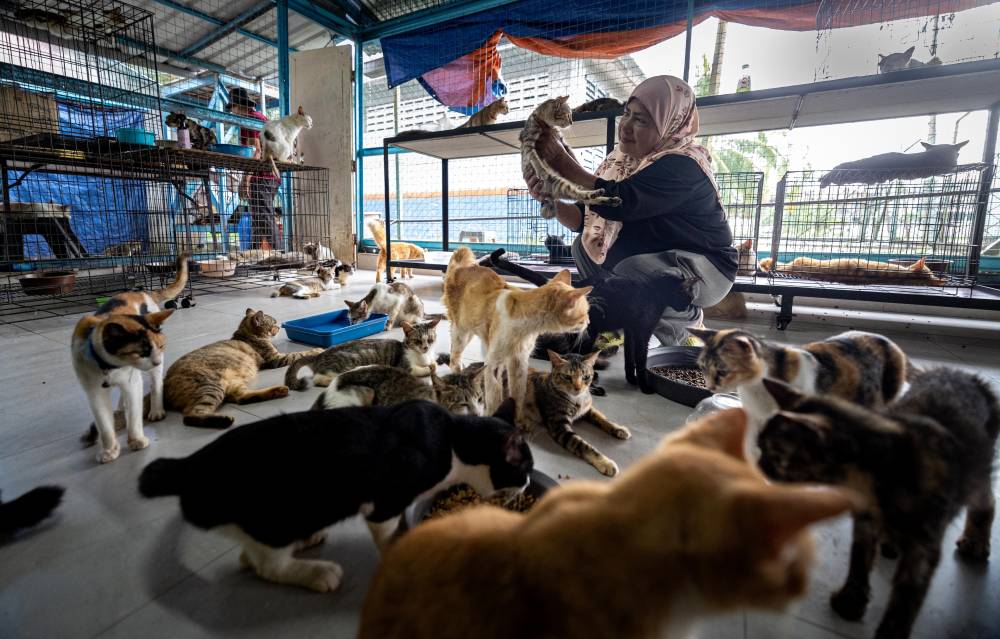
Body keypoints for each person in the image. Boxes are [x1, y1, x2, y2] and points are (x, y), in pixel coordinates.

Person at [524, 75, 736, 345]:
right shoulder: (622, 161)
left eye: (641, 120)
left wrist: (561, 164)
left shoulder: (684, 164)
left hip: (706, 267)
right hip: (661, 257)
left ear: (669, 124)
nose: (625, 126)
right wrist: (552, 203)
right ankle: (611, 317)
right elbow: (583, 219)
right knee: (584, 246)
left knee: (636, 269)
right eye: (627, 113)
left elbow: (621, 201)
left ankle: (684, 330)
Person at [229, 87, 281, 250]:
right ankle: (256, 256)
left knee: (264, 219)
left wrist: (246, 179)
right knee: (258, 219)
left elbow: (257, 151)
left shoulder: (250, 120)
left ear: (238, 105)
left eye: (232, 108)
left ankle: (280, 258)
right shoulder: (260, 117)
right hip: (270, 176)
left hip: (263, 177)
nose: (232, 112)